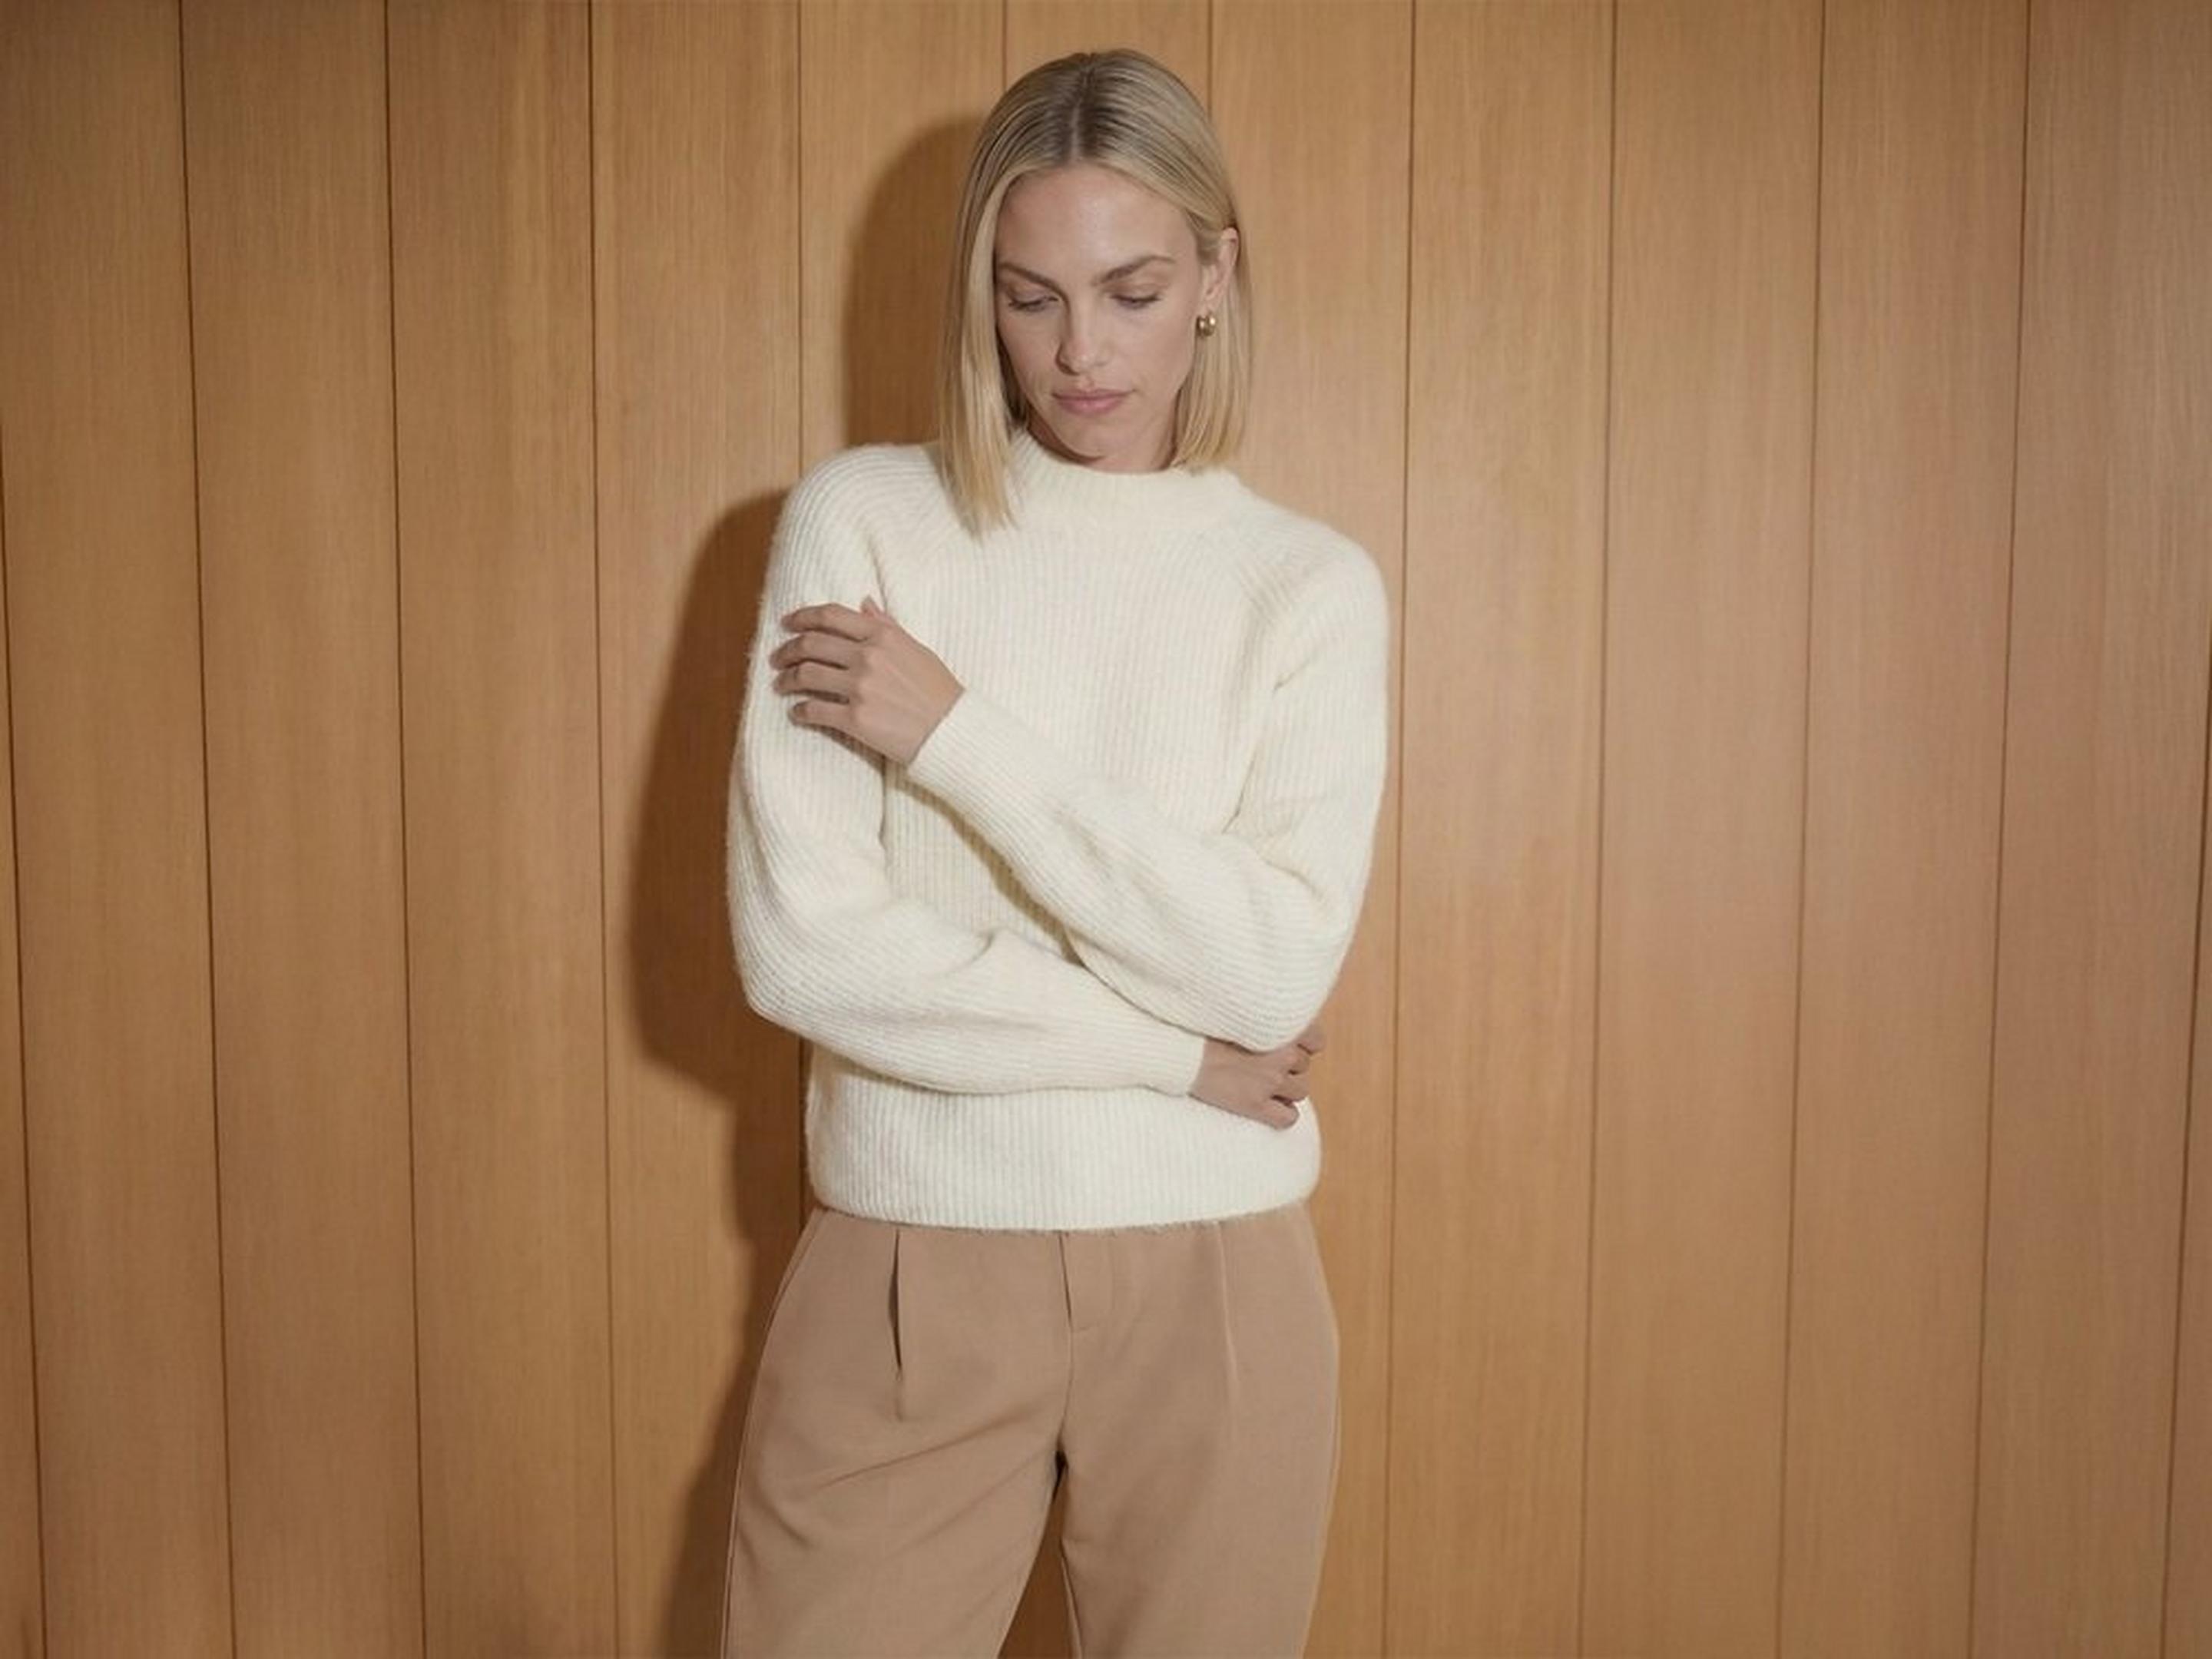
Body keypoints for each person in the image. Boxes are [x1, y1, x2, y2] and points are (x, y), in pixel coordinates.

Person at [718, 46, 1391, 1658]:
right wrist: (1175, 1058)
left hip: (1217, 1277)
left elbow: (1269, 969)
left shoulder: (1306, 588)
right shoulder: (864, 527)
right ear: (983, 294)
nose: (1082, 351)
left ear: (1216, 277)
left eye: (1133, 291)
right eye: (1030, 298)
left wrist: (957, 734)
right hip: (913, 1254)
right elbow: (808, 949)